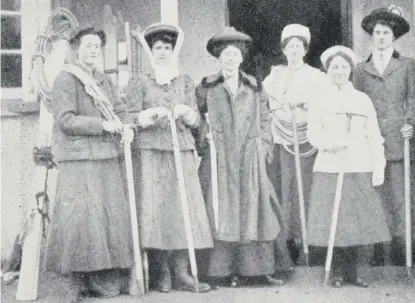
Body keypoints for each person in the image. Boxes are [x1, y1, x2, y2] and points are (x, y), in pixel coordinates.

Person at [44, 27, 132, 301]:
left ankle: (98, 275)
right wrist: (104, 125)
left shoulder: (104, 81)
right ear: (76, 49)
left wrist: (127, 126)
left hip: (105, 156)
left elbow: (120, 110)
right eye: (88, 46)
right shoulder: (66, 79)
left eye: (97, 46)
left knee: (103, 220)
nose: (93, 50)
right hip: (78, 158)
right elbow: (66, 121)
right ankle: (73, 278)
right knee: (78, 221)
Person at [125, 23, 212, 293]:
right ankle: (160, 271)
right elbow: (128, 114)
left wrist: (187, 113)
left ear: (173, 51)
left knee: (184, 209)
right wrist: (146, 116)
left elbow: (197, 119)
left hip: (180, 150)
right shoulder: (140, 81)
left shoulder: (184, 80)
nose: (162, 52)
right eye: (157, 48)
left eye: (166, 48)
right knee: (156, 210)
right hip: (151, 151)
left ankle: (182, 271)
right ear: (151, 52)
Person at [194, 27, 284, 288]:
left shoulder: (254, 86)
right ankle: (222, 272)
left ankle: (256, 270)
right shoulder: (206, 87)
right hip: (219, 158)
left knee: (255, 209)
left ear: (242, 58)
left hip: (249, 157)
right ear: (219, 59)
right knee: (221, 209)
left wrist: (264, 145)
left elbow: (266, 119)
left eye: (235, 54)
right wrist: (204, 135)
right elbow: (197, 119)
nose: (230, 59)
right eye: (225, 55)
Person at [307, 46, 391, 288]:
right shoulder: (320, 99)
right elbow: (313, 134)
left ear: (350, 70)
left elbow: (374, 134)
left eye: (344, 67)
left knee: (356, 221)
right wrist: (332, 144)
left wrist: (378, 165)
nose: (339, 71)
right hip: (329, 167)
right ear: (327, 70)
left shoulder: (362, 100)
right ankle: (336, 272)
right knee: (333, 221)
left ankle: (354, 272)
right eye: (334, 67)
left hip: (358, 164)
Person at [353, 5, 415, 266]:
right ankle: (375, 255)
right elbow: (357, 103)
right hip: (370, 142)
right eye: (377, 32)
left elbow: (412, 99)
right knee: (374, 198)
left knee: (399, 198)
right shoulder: (360, 69)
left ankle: (403, 254)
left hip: (398, 140)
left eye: (386, 32)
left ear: (393, 37)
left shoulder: (406, 65)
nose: (381, 36)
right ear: (371, 36)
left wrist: (410, 124)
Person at [263, 24, 329, 269]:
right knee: (286, 189)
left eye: (298, 46)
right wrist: (281, 112)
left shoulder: (317, 76)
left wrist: (306, 106)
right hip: (283, 141)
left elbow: (324, 104)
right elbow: (268, 104)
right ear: (283, 49)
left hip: (309, 141)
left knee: (309, 190)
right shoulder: (273, 77)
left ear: (305, 49)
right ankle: (288, 243)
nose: (293, 50)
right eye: (289, 46)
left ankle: (311, 242)